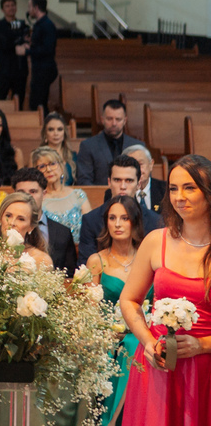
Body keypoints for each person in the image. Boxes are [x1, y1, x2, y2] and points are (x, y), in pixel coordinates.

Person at [120, 155, 211, 424]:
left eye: (189, 188)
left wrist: (202, 345)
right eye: (173, 188)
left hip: (204, 370)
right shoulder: (155, 240)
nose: (179, 196)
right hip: (157, 366)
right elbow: (129, 300)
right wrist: (147, 342)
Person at [86, 195, 147, 426]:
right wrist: (107, 330)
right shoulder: (97, 260)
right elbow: (90, 310)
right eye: (112, 218)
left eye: (125, 218)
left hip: (144, 334)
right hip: (106, 339)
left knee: (136, 344)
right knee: (131, 345)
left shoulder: (146, 257)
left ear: (135, 222)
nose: (118, 224)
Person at [78, 154, 164, 265]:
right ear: (109, 182)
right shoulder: (91, 220)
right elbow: (85, 269)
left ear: (138, 184)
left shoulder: (156, 221)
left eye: (129, 181)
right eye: (117, 180)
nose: (123, 186)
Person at [8, 167, 77, 276]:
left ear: (44, 194)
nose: (27, 197)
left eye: (33, 191)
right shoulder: (1, 231)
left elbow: (69, 275)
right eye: (21, 192)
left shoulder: (63, 233)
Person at [76, 100, 144, 185]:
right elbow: (84, 180)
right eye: (109, 119)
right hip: (99, 196)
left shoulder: (138, 146)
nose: (114, 123)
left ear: (125, 121)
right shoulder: (88, 146)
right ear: (102, 119)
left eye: (118, 119)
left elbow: (144, 178)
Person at [17, 0, 57, 112]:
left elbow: (48, 49)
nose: (28, 10)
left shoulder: (47, 25)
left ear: (36, 8)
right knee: (37, 102)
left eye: (30, 7)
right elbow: (41, 45)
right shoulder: (40, 24)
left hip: (44, 69)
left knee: (38, 104)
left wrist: (27, 51)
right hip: (39, 68)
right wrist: (30, 45)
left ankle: (43, 127)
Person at [0, 192, 54, 269]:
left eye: (21, 219)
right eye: (8, 216)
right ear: (0, 218)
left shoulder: (42, 260)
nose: (12, 223)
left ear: (31, 227)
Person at [0, 0, 29, 105]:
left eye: (13, 5)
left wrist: (17, 42)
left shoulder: (22, 25)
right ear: (2, 10)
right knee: (0, 100)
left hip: (20, 69)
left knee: (19, 102)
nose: (11, 8)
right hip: (4, 69)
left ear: (16, 8)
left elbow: (26, 42)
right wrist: (17, 43)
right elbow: (3, 44)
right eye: (7, 6)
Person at [40, 112, 78, 184]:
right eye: (51, 129)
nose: (56, 133)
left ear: (64, 133)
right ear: (45, 134)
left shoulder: (73, 156)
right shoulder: (37, 156)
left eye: (59, 129)